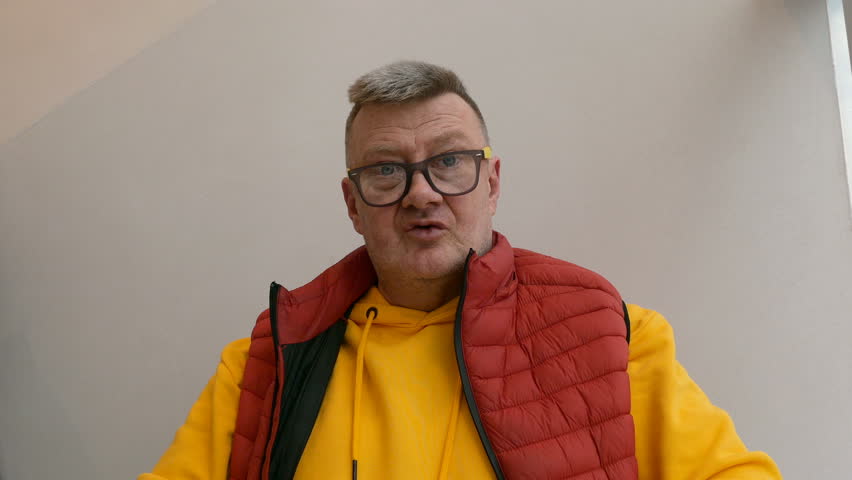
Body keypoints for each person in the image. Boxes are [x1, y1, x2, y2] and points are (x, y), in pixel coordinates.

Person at [139, 61, 782, 480]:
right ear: (352, 204)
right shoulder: (268, 361)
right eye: (387, 170)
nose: (422, 193)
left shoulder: (608, 333)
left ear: (492, 182)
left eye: (449, 162)